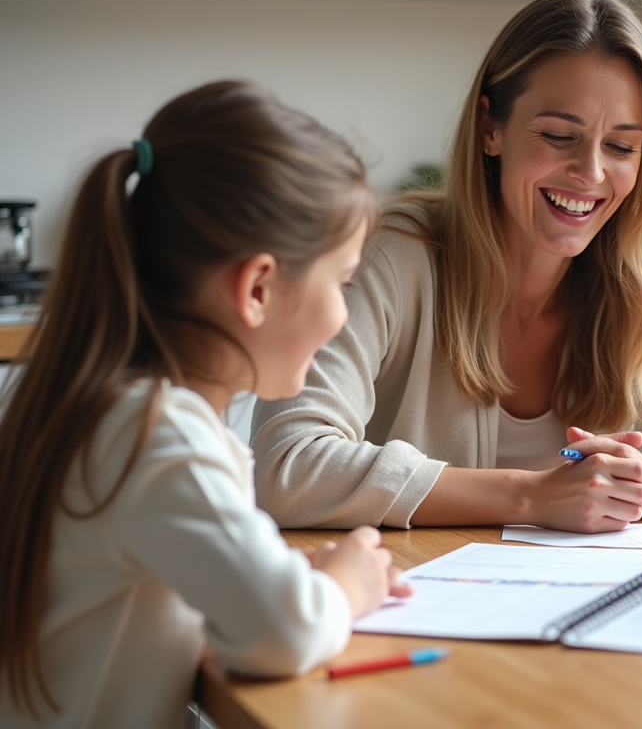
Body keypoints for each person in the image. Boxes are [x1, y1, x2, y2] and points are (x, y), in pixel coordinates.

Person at [251, 0, 642, 533]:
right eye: (559, 136)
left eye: (621, 146)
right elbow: (286, 466)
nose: (590, 172)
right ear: (490, 128)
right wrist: (531, 496)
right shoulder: (394, 261)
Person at [0, 81, 414, 729]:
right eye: (342, 281)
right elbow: (282, 632)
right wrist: (345, 587)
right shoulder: (162, 436)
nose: (343, 315)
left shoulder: (94, 402)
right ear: (257, 289)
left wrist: (282, 579)